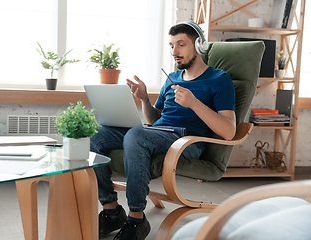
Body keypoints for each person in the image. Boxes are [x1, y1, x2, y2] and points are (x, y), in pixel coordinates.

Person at [91, 21, 236, 240]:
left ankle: (136, 219)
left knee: (136, 135)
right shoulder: (172, 79)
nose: (174, 52)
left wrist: (194, 104)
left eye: (181, 44)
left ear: (199, 46)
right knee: (96, 134)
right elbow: (154, 119)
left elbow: (229, 131)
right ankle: (112, 211)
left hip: (186, 140)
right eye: (171, 46)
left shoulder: (219, 79)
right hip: (158, 133)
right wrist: (144, 99)